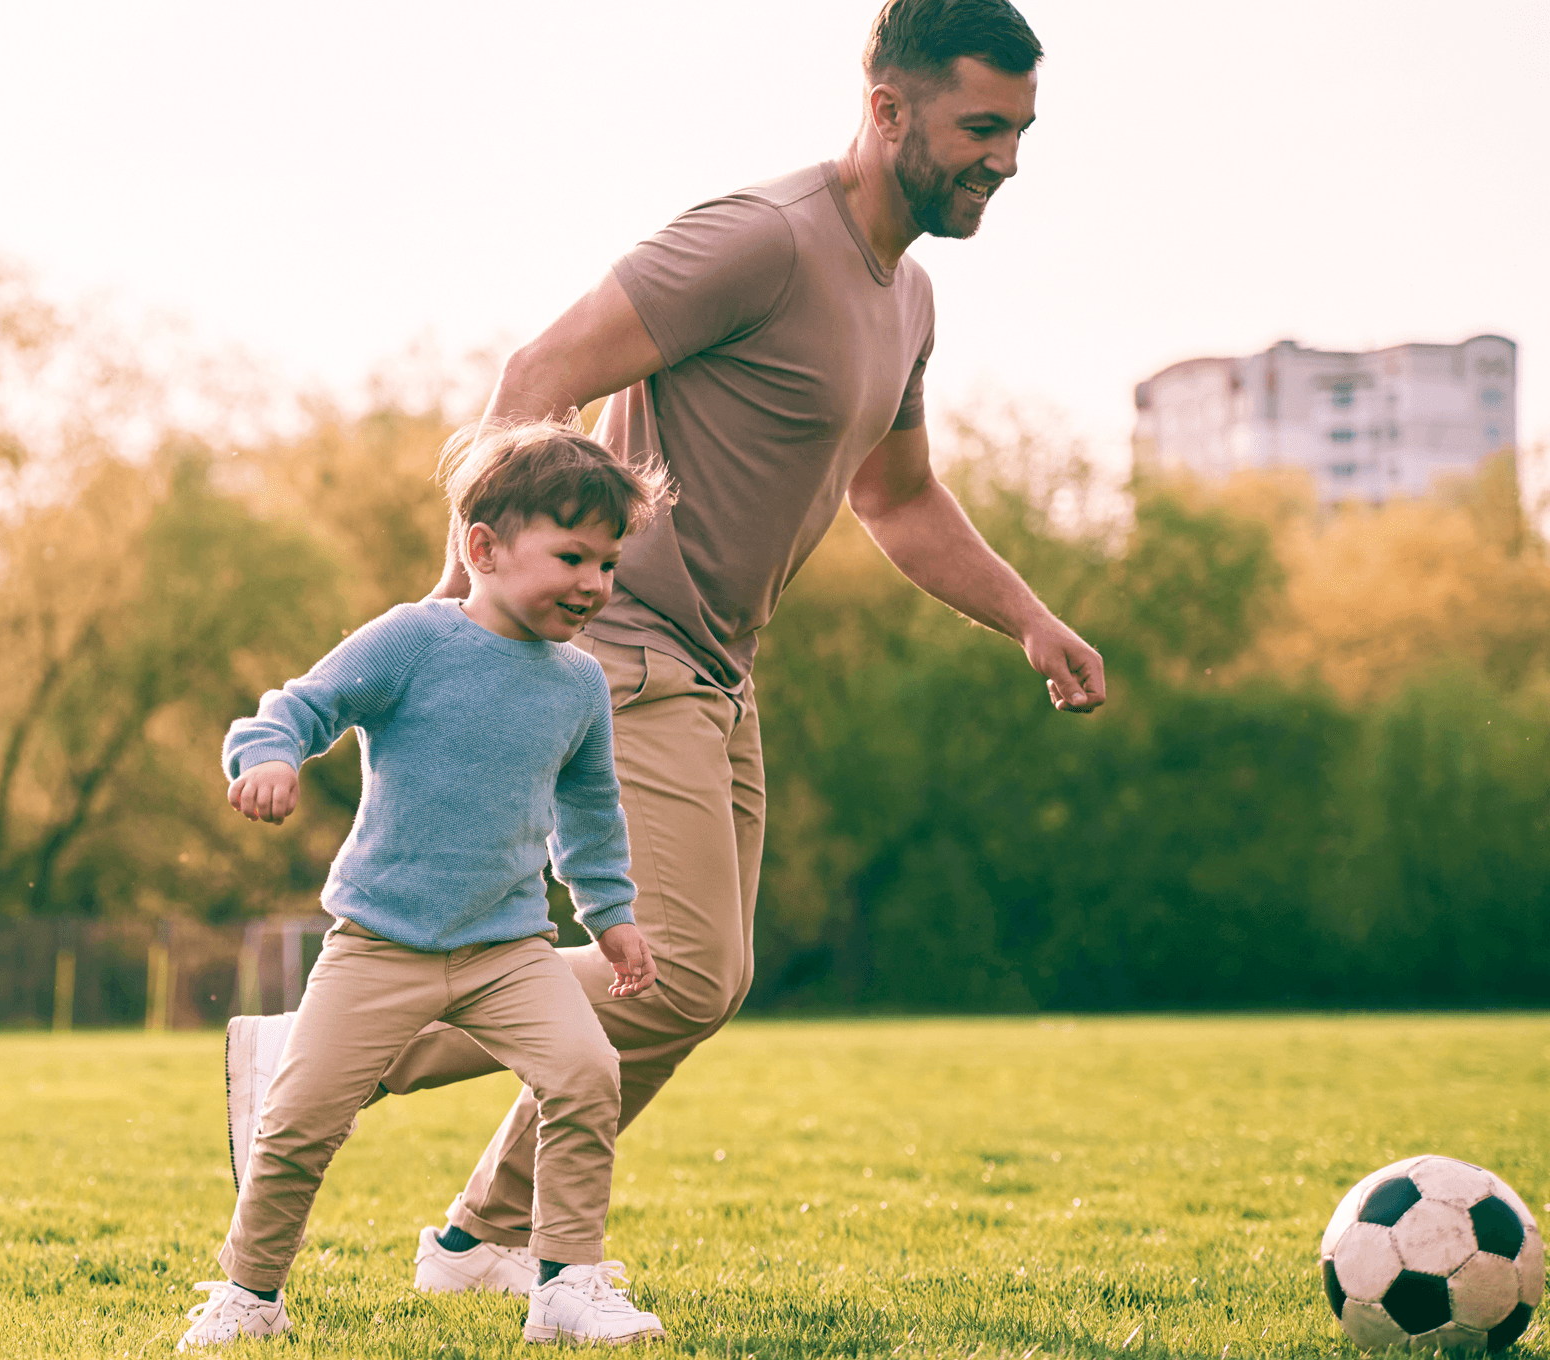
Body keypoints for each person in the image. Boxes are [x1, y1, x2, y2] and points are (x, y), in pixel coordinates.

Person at [221, 0, 1109, 1298]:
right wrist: (487, 603)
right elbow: (543, 369)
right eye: (983, 125)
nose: (1006, 159)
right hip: (616, 644)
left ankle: (483, 1236)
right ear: (888, 110)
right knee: (682, 972)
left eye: (1021, 131)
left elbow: (899, 498)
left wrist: (1031, 617)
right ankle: (311, 1062)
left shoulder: (906, 298)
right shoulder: (758, 241)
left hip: (718, 671)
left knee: (702, 982)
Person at [178, 422, 672, 1349]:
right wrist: (272, 756)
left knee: (586, 1073)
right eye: (572, 556)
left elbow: (592, 811)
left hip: (508, 951)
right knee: (296, 1124)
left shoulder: (578, 683)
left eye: (609, 565)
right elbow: (299, 705)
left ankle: (565, 1283)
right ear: (482, 547)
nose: (594, 585)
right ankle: (250, 1297)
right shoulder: (414, 640)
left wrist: (612, 918)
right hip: (378, 947)